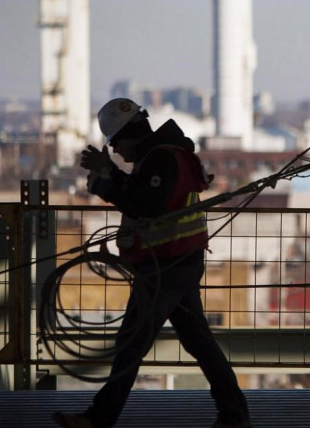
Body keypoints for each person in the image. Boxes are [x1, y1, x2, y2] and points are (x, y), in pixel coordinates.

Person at [53, 98, 251, 428]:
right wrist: (110, 172)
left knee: (131, 343)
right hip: (177, 261)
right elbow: (143, 191)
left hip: (167, 264)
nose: (116, 150)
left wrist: (104, 185)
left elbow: (146, 205)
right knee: (198, 341)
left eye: (115, 142)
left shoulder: (161, 159)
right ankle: (235, 415)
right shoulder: (160, 155)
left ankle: (98, 419)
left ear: (130, 134)